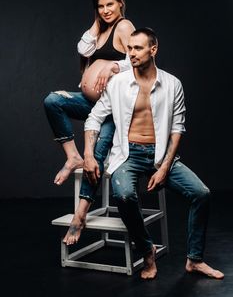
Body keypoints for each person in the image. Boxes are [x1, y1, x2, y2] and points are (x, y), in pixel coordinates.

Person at [65, 27, 224, 280]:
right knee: (125, 195)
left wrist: (163, 168)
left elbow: (177, 128)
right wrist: (88, 154)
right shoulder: (117, 83)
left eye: (137, 48)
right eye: (129, 48)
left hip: (161, 157)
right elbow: (94, 118)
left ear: (153, 49)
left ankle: (194, 260)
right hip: (128, 156)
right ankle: (147, 250)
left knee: (202, 194)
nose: (131, 53)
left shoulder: (172, 84)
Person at [44, 0, 135, 235]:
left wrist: (113, 67)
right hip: (91, 104)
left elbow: (138, 60)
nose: (106, 10)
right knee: (53, 101)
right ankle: (72, 156)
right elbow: (83, 49)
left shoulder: (124, 26)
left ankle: (81, 213)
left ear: (120, 3)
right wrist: (97, 22)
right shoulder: (101, 30)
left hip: (113, 109)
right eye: (101, 6)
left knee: (96, 151)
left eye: (110, 5)